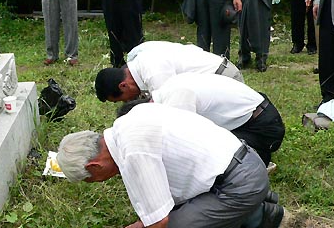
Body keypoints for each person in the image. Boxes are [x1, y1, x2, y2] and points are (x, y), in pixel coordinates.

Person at [56, 103, 285, 228]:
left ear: (94, 167)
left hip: (238, 184)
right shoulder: (127, 122)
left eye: (90, 180)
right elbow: (166, 181)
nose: (95, 182)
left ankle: (255, 218)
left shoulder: (132, 150)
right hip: (246, 164)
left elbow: (160, 221)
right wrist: (146, 218)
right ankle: (253, 202)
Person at [117, 72, 285, 168]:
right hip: (254, 115)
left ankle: (260, 158)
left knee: (219, 165)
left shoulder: (177, 100)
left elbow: (186, 147)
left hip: (263, 127)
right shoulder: (166, 89)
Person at [94, 40, 244, 103]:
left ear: (123, 86)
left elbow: (170, 112)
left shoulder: (152, 71)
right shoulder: (139, 65)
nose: (127, 102)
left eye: (122, 100)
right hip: (210, 82)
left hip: (224, 78)